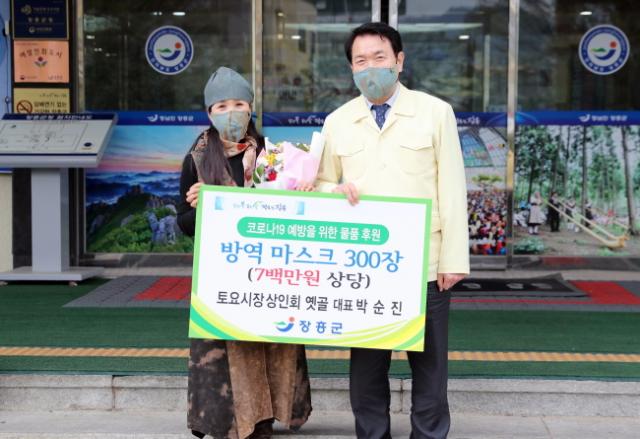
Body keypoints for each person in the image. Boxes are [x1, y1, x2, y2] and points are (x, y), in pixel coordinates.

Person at [314, 22, 469, 439]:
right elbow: (318, 184)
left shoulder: (435, 112)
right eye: (360, 61)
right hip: (365, 265)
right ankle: (372, 434)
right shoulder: (337, 121)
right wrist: (333, 191)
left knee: (430, 364)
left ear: (399, 61)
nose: (371, 68)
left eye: (379, 58)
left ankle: (429, 434)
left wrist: (454, 259)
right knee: (367, 365)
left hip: (425, 262)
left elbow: (452, 187)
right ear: (351, 69)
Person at [176, 67, 311, 439]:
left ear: (251, 108)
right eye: (222, 106)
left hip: (268, 268)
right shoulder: (196, 159)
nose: (231, 112)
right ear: (209, 113)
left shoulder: (272, 155)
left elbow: (288, 210)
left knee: (268, 340)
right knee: (224, 345)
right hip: (221, 272)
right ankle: (220, 419)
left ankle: (268, 414)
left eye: (239, 103)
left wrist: (302, 192)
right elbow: (183, 223)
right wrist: (202, 206)